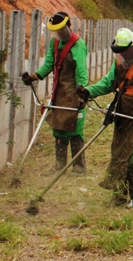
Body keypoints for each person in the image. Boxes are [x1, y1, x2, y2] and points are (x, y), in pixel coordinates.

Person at [76, 29, 133, 207]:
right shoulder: (119, 63)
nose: (120, 54)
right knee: (119, 151)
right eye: (118, 51)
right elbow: (107, 83)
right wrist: (89, 91)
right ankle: (119, 194)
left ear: (132, 47)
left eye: (123, 51)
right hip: (123, 112)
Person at [22, 12, 88, 174]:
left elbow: (81, 72)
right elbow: (49, 63)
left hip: (74, 93)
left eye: (61, 30)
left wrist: (82, 93)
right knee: (58, 128)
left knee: (74, 129)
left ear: (68, 27)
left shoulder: (78, 44)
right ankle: (60, 165)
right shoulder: (54, 43)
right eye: (56, 31)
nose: (59, 34)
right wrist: (35, 76)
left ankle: (78, 167)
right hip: (58, 93)